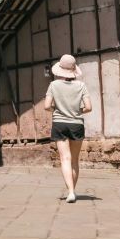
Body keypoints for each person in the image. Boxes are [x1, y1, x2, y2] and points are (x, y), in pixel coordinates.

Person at [44, 53, 92, 202]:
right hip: (77, 124)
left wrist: (57, 110)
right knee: (75, 160)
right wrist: (77, 111)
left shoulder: (53, 85)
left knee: (65, 158)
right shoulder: (81, 85)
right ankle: (73, 191)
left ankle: (70, 192)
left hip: (59, 123)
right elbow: (89, 108)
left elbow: (46, 106)